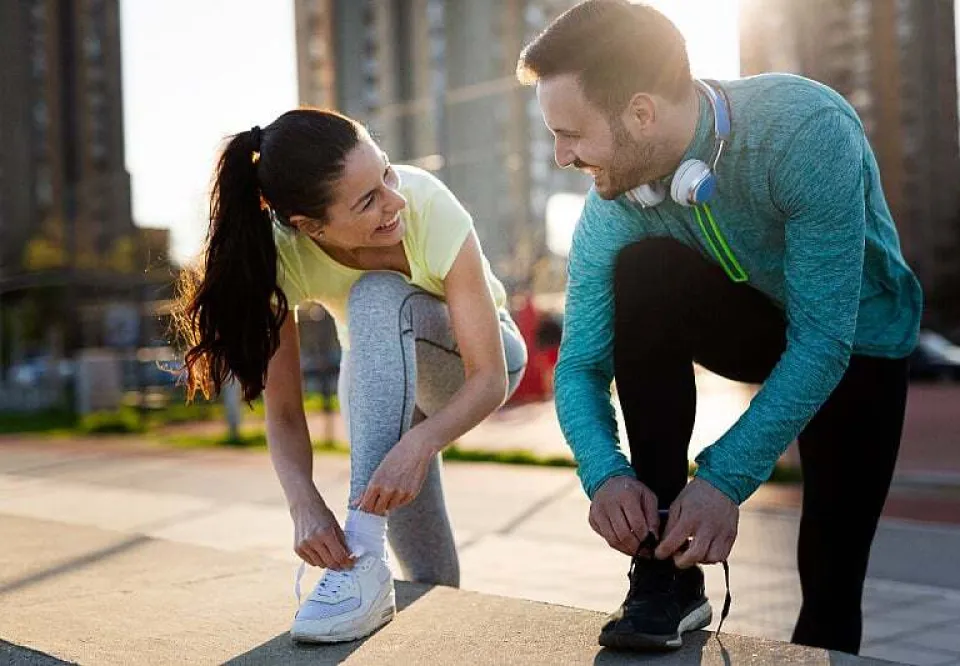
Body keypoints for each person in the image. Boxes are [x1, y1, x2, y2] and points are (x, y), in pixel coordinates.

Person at [516, 0, 921, 654]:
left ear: (642, 112)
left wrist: (723, 482)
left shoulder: (805, 132)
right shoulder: (614, 208)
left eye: (571, 133)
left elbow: (822, 341)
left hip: (860, 339)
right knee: (645, 272)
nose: (563, 156)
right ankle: (664, 577)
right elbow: (583, 365)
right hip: (750, 323)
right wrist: (605, 474)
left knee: (831, 575)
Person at [174, 109, 526, 643]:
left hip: (477, 363)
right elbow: (286, 413)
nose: (395, 199)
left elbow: (489, 379)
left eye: (386, 173)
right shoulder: (283, 257)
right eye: (368, 200)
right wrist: (304, 504)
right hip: (387, 387)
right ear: (309, 227)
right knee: (432, 579)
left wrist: (420, 445)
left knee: (376, 295)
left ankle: (361, 549)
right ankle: (377, 581)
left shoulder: (427, 203)